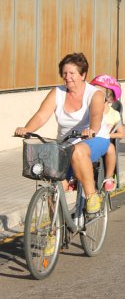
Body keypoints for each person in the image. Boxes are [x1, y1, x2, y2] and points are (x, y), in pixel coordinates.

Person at [14, 52, 108, 214]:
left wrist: (91, 129)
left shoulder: (95, 94)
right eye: (64, 73)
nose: (67, 77)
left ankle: (92, 195)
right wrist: (27, 129)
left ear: (83, 74)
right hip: (66, 144)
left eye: (72, 73)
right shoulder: (57, 92)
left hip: (95, 139)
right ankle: (54, 233)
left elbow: (96, 117)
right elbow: (41, 115)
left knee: (78, 152)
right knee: (54, 185)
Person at [90, 74, 125, 192]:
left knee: (110, 148)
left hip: (104, 142)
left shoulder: (114, 114)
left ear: (108, 97)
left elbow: (121, 134)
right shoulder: (88, 111)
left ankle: (108, 177)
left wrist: (107, 135)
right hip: (90, 141)